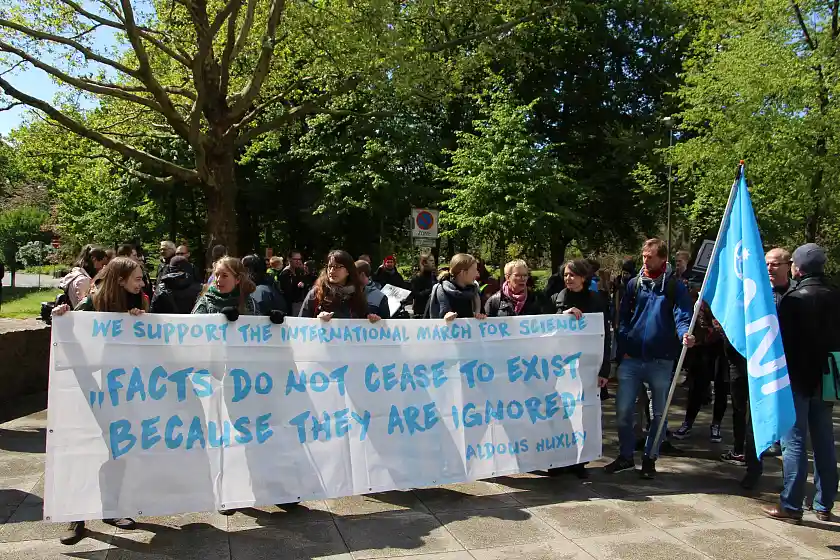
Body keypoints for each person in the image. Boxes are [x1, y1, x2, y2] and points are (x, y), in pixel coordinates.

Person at [51, 256, 146, 544]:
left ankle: (111, 508)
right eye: (138, 278)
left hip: (119, 391)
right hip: (89, 389)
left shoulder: (139, 303)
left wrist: (140, 324)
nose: (143, 284)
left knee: (115, 450)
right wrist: (63, 315)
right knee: (82, 450)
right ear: (120, 280)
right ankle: (74, 517)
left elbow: (148, 346)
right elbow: (72, 335)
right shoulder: (91, 303)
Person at [605, 238, 695, 479]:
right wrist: (624, 343)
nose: (645, 260)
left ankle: (649, 458)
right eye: (643, 256)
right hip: (632, 358)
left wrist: (684, 333)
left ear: (662, 259)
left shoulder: (675, 287)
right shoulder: (635, 284)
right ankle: (625, 456)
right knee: (623, 411)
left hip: (661, 360)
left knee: (659, 414)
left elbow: (682, 314)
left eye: (650, 256)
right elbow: (622, 316)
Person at [764, 243, 840, 522]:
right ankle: (824, 504)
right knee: (824, 441)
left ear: (797, 267)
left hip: (797, 378)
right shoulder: (835, 295)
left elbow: (783, 342)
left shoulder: (794, 299)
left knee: (793, 442)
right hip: (827, 378)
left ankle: (792, 505)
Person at [548, 259, 611, 477]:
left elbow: (606, 335)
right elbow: (544, 329)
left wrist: (605, 371)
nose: (569, 279)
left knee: (583, 412)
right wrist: (561, 317)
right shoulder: (556, 299)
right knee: (559, 412)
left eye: (573, 275)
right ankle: (557, 460)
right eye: (566, 275)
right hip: (560, 367)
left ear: (583, 277)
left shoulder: (596, 301)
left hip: (586, 368)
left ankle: (579, 462)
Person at [673, 300, 727, 443]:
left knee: (721, 387)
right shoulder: (700, 298)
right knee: (696, 387)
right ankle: (688, 422)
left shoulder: (727, 294)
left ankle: (716, 424)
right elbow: (697, 323)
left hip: (722, 348)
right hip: (701, 348)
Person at [299, 250, 381, 321]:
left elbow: (363, 320)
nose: (331, 271)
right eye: (330, 266)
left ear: (348, 271)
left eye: (337, 267)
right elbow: (301, 324)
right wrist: (317, 321)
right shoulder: (316, 293)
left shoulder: (357, 294)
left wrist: (371, 318)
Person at [192, 256, 257, 318]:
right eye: (216, 275)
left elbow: (258, 324)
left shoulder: (249, 302)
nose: (218, 279)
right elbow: (195, 324)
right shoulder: (205, 301)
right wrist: (219, 319)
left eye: (224, 276)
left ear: (237, 279)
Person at [428, 253, 485, 321]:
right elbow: (431, 323)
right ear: (463, 272)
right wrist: (445, 318)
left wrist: (481, 317)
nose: (477, 274)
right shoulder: (440, 291)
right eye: (474, 270)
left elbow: (483, 319)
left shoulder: (475, 292)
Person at [242, 254, 289, 319]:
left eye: (242, 270)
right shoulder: (269, 287)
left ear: (249, 271)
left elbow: (256, 319)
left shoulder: (259, 292)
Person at [280, 250, 307, 315]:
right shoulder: (285, 273)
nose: (298, 261)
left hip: (299, 304)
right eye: (295, 259)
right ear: (289, 259)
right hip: (290, 306)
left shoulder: (298, 271)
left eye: (299, 259)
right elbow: (287, 293)